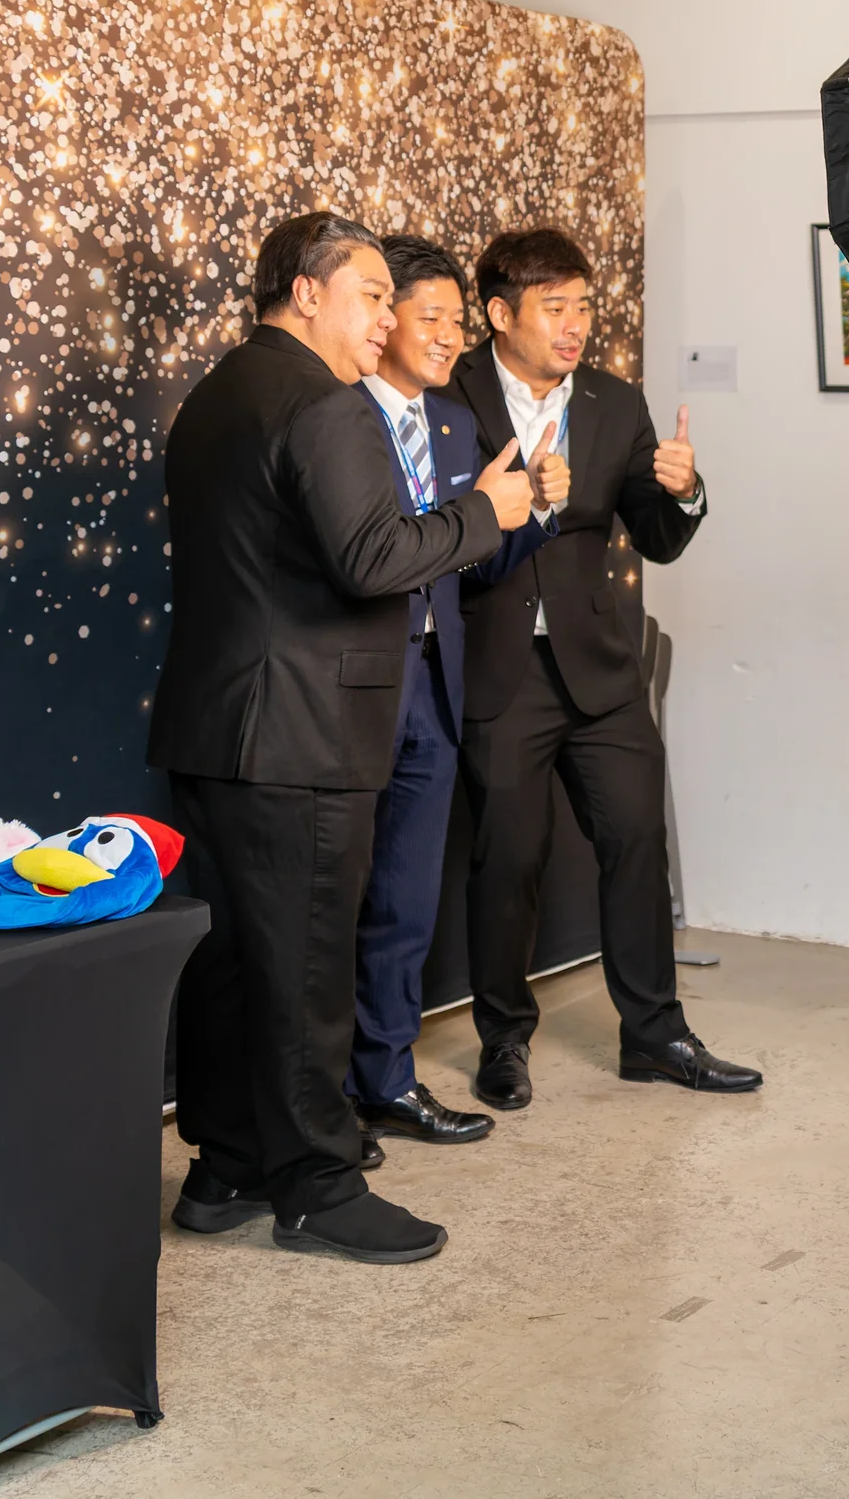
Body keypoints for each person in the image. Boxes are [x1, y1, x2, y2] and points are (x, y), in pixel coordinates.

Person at [151, 211, 537, 1264]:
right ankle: (319, 1183)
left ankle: (224, 1163)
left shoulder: (216, 397)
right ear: (306, 293)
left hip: (214, 727)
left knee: (234, 964)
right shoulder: (326, 407)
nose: (386, 316)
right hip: (305, 732)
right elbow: (373, 557)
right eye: (370, 293)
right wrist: (487, 510)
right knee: (311, 965)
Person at [449, 226, 760, 1104]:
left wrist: (683, 489)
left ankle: (655, 1035)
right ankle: (504, 1040)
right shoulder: (452, 394)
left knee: (635, 840)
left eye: (584, 306)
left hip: (599, 668)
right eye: (556, 309)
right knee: (508, 858)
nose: (576, 325)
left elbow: (657, 540)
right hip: (500, 666)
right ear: (501, 313)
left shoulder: (617, 405)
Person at [341, 235, 561, 1155]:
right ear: (383, 319)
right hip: (352, 694)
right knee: (334, 905)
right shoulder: (335, 417)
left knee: (405, 903)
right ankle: (319, 1096)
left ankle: (387, 1079)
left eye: (454, 322)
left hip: (435, 688)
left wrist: (531, 509)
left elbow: (471, 558)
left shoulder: (454, 426)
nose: (446, 339)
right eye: (429, 319)